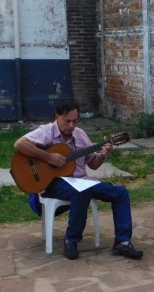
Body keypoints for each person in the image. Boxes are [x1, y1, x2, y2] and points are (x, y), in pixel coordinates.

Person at [14, 101, 143, 260]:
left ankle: (122, 242)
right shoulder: (47, 131)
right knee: (82, 190)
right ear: (57, 117)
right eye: (67, 121)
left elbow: (93, 165)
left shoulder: (80, 134)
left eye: (75, 121)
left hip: (82, 181)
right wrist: (48, 157)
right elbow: (19, 144)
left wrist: (103, 154)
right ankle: (72, 240)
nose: (71, 125)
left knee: (120, 192)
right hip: (55, 183)